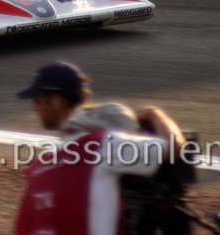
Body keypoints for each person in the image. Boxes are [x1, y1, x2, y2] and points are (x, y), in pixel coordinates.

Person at [15, 63, 186, 235]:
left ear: (57, 101)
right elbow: (175, 145)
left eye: (37, 99)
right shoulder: (102, 146)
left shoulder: (37, 169)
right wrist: (154, 112)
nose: (34, 107)